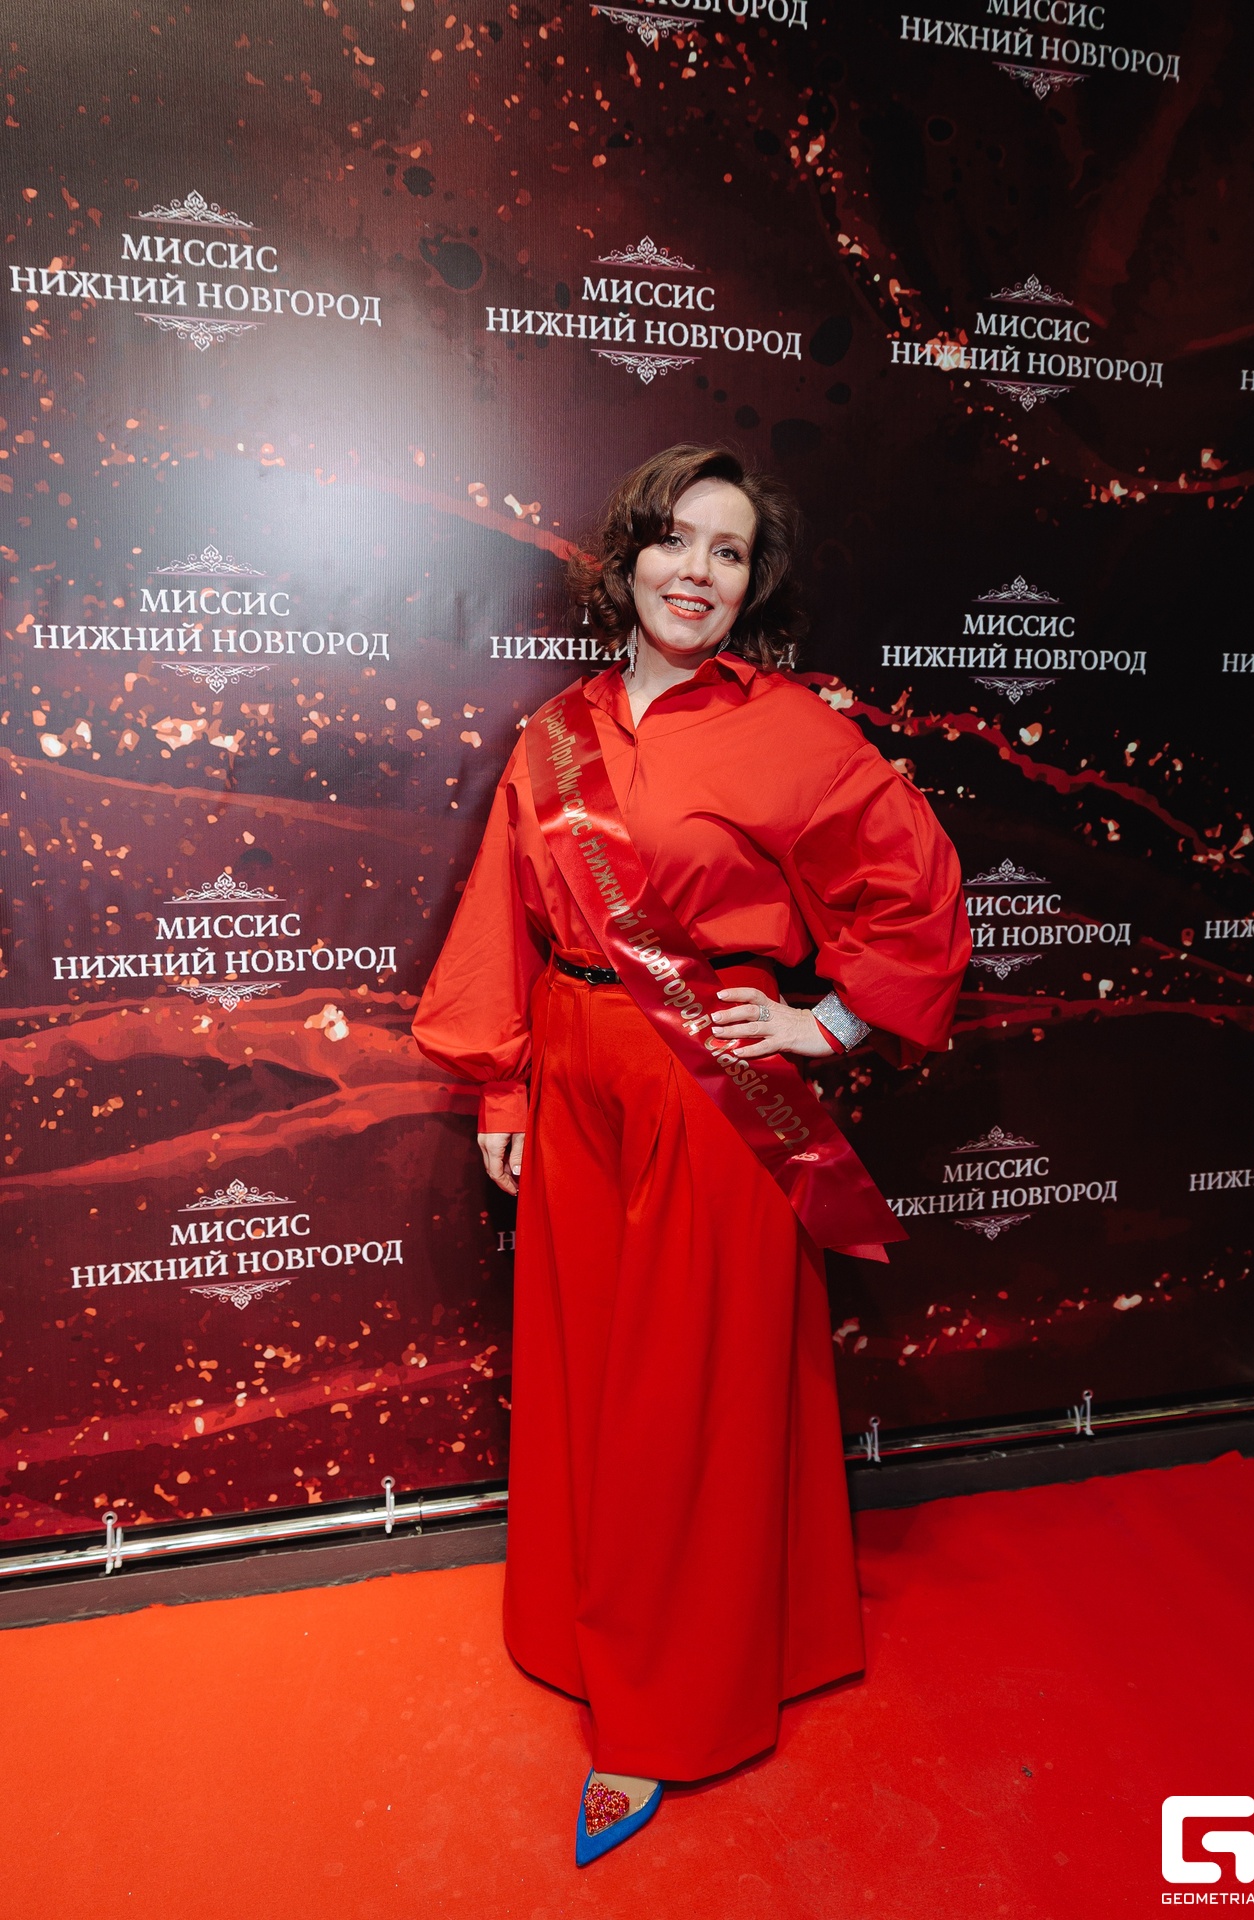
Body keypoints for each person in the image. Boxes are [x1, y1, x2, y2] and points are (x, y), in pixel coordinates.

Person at [412, 444, 969, 1863]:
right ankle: (588, 1636)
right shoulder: (554, 733)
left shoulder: (793, 729)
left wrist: (824, 1021)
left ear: (752, 582)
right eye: (675, 540)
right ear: (629, 558)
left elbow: (915, 890)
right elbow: (501, 917)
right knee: (596, 1378)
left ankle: (667, 1715)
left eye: (729, 551)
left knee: (687, 1401)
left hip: (708, 1092)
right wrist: (503, 1092)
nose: (697, 572)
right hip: (575, 1075)